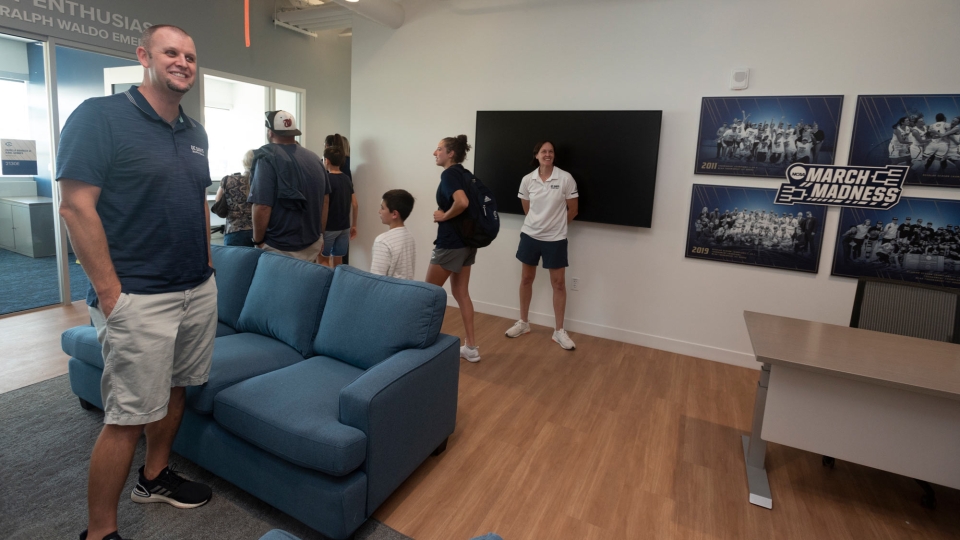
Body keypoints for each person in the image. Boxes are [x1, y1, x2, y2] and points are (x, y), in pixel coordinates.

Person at [57, 25, 216, 540]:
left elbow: (198, 203)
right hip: (138, 297)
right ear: (144, 55)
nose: (183, 62)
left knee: (175, 392)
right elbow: (76, 206)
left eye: (190, 56)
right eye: (171, 52)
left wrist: (208, 268)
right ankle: (99, 532)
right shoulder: (99, 117)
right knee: (126, 418)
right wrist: (111, 296)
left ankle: (154, 477)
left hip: (196, 288)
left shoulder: (196, 132)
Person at [504, 141, 579, 350]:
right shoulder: (528, 180)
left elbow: (573, 210)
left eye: (551, 152)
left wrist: (555, 227)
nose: (548, 154)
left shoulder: (565, 178)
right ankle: (524, 323)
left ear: (554, 155)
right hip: (530, 236)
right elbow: (527, 209)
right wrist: (539, 226)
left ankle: (559, 331)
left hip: (556, 239)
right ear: (536, 155)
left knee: (559, 284)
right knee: (526, 279)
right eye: (544, 151)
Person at [425, 135, 481, 362]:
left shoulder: (449, 174)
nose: (434, 153)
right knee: (461, 293)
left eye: (439, 149)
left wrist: (443, 216)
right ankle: (471, 347)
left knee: (426, 293)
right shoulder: (466, 174)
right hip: (468, 244)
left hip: (451, 244)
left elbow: (462, 202)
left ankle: (423, 345)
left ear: (450, 154)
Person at [248, 110, 331, 262]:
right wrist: (320, 235)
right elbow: (325, 201)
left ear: (270, 132)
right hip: (312, 243)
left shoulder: (266, 158)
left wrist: (258, 241)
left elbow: (262, 206)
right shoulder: (315, 159)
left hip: (279, 247)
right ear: (294, 132)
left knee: (276, 286)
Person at [318, 145, 357, 268]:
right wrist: (354, 225)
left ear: (327, 160)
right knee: (338, 260)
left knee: (322, 258)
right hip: (344, 227)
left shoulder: (326, 179)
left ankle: (325, 286)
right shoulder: (346, 179)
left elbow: (323, 204)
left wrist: (320, 230)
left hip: (329, 227)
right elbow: (355, 204)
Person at [370, 189, 416, 280]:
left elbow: (376, 278)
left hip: (389, 292)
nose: (379, 211)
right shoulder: (409, 237)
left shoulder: (382, 241)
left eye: (382, 208)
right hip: (406, 291)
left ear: (394, 214)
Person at [213, 149, 256, 246]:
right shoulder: (263, 182)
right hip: (259, 233)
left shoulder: (228, 180)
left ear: (243, 162)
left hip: (234, 232)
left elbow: (218, 201)